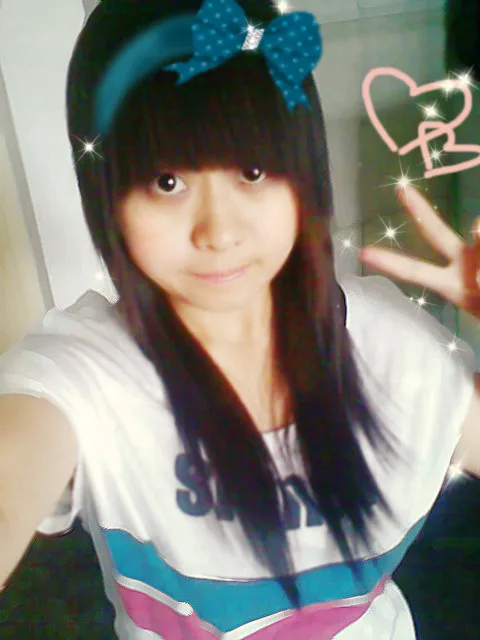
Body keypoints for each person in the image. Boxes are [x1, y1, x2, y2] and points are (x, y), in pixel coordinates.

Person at [0, 0, 479, 638]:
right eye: (167, 182)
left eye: (252, 172)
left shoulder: (397, 349)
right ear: (105, 191)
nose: (219, 232)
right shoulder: (87, 375)